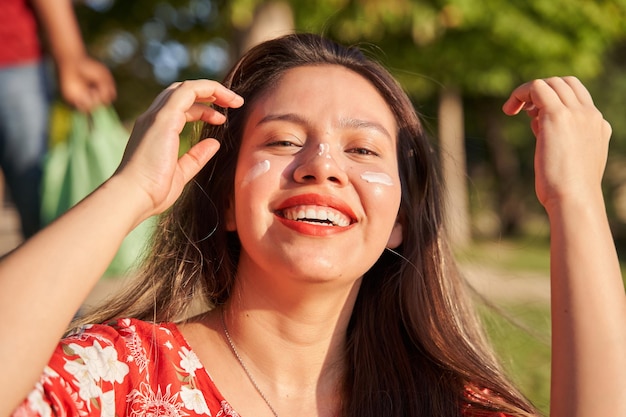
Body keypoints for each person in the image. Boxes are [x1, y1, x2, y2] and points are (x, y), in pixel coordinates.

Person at [1, 33, 625, 417]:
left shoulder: (448, 406)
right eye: (283, 141)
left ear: (400, 221)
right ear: (223, 201)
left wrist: (575, 200)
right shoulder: (123, 375)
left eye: (362, 150)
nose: (321, 167)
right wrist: (131, 190)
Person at [0, 0, 116, 238]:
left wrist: (70, 59)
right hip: (16, 69)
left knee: (32, 188)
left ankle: (42, 268)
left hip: (13, 59)